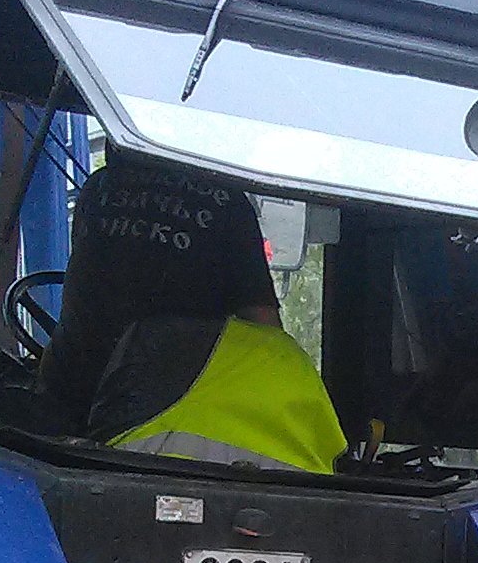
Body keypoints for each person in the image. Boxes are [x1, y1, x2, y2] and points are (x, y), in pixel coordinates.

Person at [34, 153, 347, 475]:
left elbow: (80, 300)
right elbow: (263, 325)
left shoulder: (98, 189)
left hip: (69, 394)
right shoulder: (226, 203)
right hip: (168, 407)